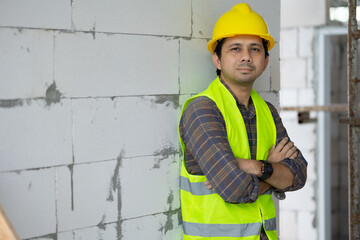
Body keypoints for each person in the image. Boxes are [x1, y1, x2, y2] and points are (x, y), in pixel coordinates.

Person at [178, 3, 308, 240]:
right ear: (217, 60)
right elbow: (234, 189)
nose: (246, 57)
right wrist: (270, 170)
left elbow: (299, 174)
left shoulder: (267, 111)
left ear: (266, 61)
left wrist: (252, 167)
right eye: (235, 49)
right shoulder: (202, 110)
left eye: (255, 49)